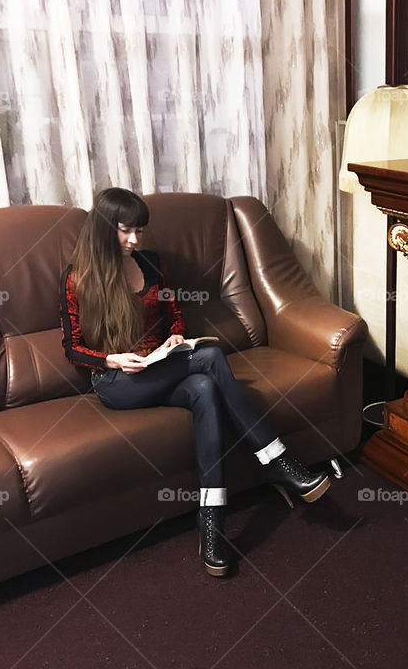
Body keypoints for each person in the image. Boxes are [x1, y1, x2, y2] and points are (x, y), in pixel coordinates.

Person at [59, 187, 332, 577]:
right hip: (118, 382)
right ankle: (275, 459)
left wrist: (174, 339)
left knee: (204, 387)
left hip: (161, 366)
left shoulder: (152, 264)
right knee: (211, 357)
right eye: (125, 230)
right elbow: (72, 347)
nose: (134, 239)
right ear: (104, 228)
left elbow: (175, 316)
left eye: (139, 230)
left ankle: (212, 524)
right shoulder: (78, 278)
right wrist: (111, 359)